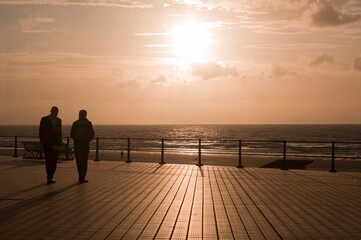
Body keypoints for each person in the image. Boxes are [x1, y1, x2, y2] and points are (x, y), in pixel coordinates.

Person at [39, 106, 62, 184]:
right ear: (51, 111)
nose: (56, 113)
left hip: (56, 143)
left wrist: (60, 143)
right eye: (55, 111)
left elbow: (60, 132)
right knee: (49, 160)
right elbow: (41, 131)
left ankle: (51, 175)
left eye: (57, 111)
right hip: (47, 144)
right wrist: (43, 141)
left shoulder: (59, 120)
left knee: (54, 160)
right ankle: (49, 176)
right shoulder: (44, 119)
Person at [70, 110, 94, 183]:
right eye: (80, 114)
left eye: (82, 114)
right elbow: (72, 134)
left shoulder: (88, 123)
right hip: (78, 145)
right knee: (79, 162)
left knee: (84, 162)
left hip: (84, 145)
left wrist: (86, 140)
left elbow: (92, 134)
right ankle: (81, 177)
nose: (81, 116)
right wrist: (78, 139)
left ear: (85, 115)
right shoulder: (75, 123)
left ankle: (82, 177)